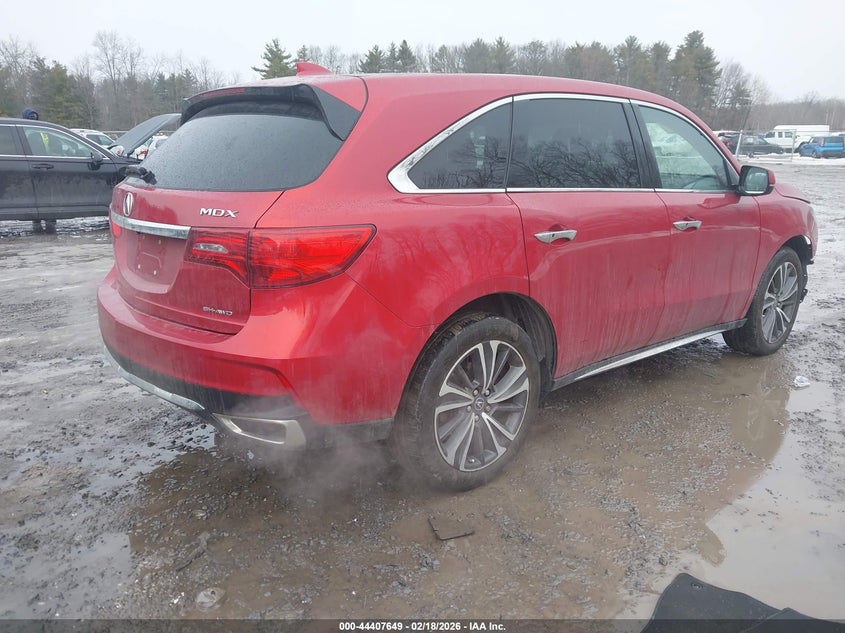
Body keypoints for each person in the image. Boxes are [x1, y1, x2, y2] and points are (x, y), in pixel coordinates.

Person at [21, 108, 57, 233]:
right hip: (31, 168)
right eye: (31, 117)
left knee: (47, 195)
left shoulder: (43, 132)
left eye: (35, 116)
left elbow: (52, 146)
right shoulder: (23, 131)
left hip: (46, 167)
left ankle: (49, 220)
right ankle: (37, 221)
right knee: (35, 195)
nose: (33, 119)